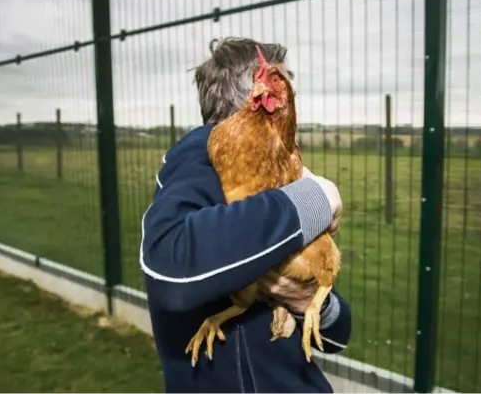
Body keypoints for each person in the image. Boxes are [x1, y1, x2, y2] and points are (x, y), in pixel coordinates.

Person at [140, 37, 352, 393]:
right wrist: (320, 197)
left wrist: (306, 302)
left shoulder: (279, 166)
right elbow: (168, 262)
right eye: (281, 82)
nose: (290, 97)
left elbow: (337, 337)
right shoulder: (204, 154)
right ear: (255, 92)